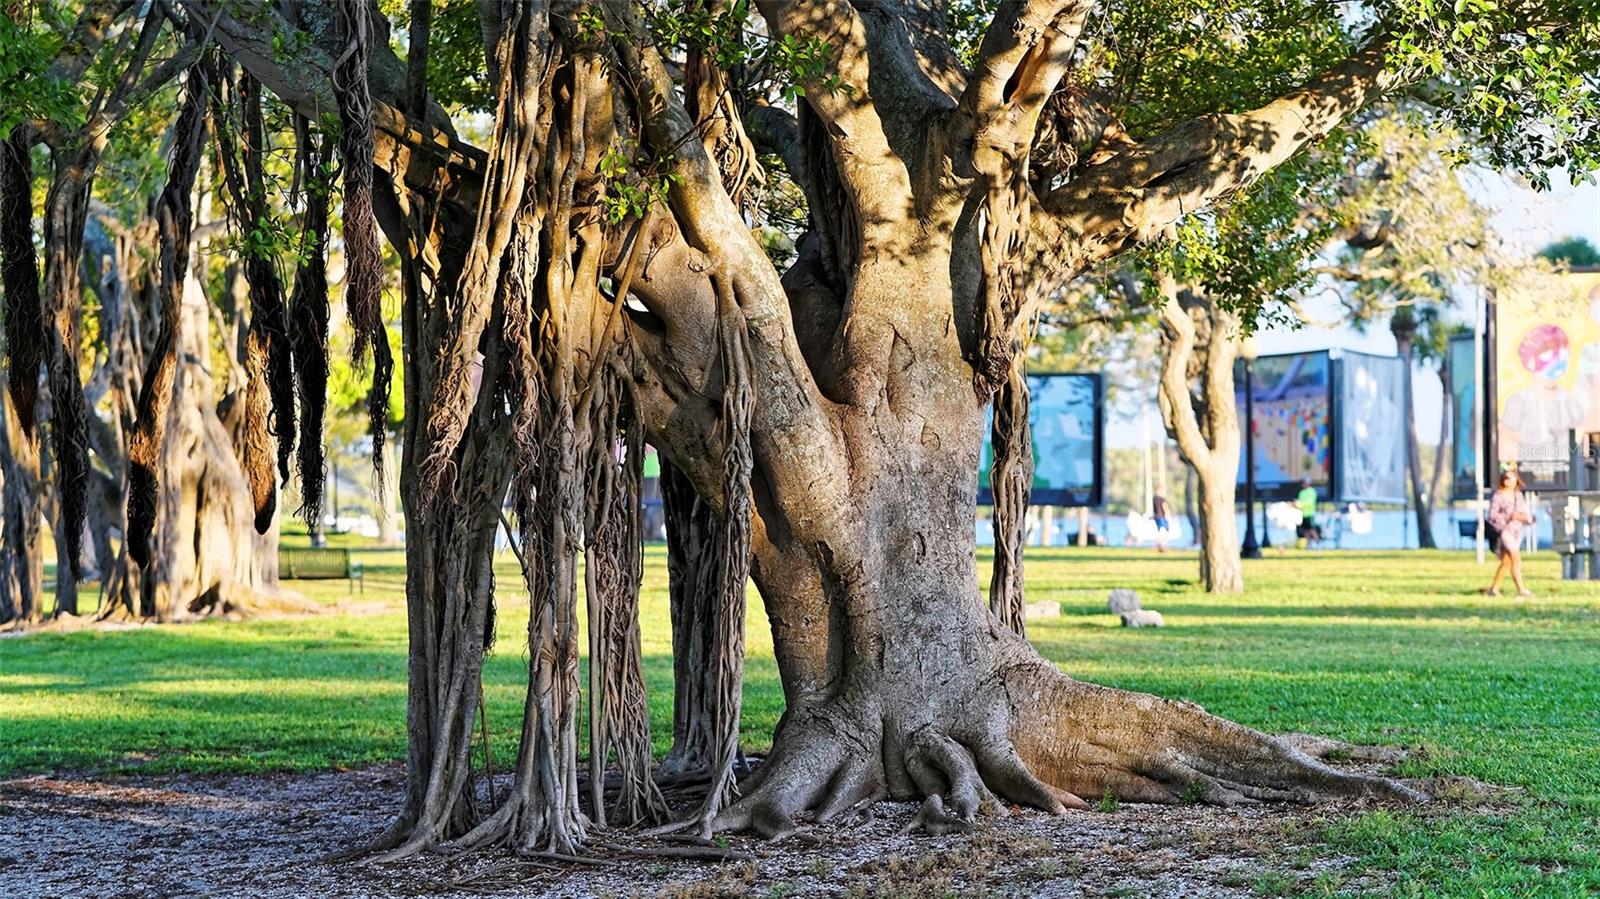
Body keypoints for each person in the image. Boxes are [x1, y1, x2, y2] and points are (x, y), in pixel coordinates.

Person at [1486, 469, 1535, 597]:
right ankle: (1521, 589)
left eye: (1511, 478)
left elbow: (1524, 512)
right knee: (1516, 559)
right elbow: (1492, 515)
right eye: (1506, 478)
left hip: (1517, 531)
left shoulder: (1518, 496)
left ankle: (1494, 589)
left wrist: (1525, 518)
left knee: (1506, 562)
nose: (1508, 481)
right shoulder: (1498, 495)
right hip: (1505, 531)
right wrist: (1509, 517)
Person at [1294, 479, 1320, 549]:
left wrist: (1300, 504)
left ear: (1308, 483)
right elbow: (1299, 502)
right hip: (1303, 514)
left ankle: (1318, 545)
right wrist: (1297, 504)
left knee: (1312, 530)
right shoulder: (1301, 492)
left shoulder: (1312, 491)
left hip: (1310, 514)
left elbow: (1309, 502)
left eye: (1304, 483)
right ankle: (1309, 545)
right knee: (1305, 531)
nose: (1303, 484)